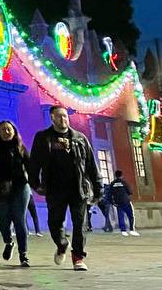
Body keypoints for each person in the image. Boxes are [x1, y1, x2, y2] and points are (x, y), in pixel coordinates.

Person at [30, 106, 102, 272]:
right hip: (55, 189)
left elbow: (91, 164)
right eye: (59, 116)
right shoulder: (43, 138)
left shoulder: (80, 138)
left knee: (80, 224)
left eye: (65, 116)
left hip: (78, 188)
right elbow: (34, 163)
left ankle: (78, 257)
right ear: (52, 118)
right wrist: (35, 184)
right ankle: (62, 244)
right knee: (55, 223)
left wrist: (98, 187)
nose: (63, 119)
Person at [0, 120, 32, 266]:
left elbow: (30, 166)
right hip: (0, 188)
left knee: (19, 220)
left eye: (9, 129)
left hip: (20, 187)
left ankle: (23, 255)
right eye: (3, 129)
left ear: (14, 131)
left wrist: (37, 183)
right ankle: (9, 242)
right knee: (3, 220)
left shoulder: (20, 146)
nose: (6, 132)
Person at [108, 170, 140, 237]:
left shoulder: (112, 183)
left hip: (118, 202)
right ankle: (132, 230)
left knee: (121, 216)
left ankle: (123, 231)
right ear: (121, 175)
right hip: (126, 202)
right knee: (131, 216)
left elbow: (109, 194)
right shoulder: (124, 182)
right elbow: (130, 192)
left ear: (115, 175)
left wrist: (113, 202)